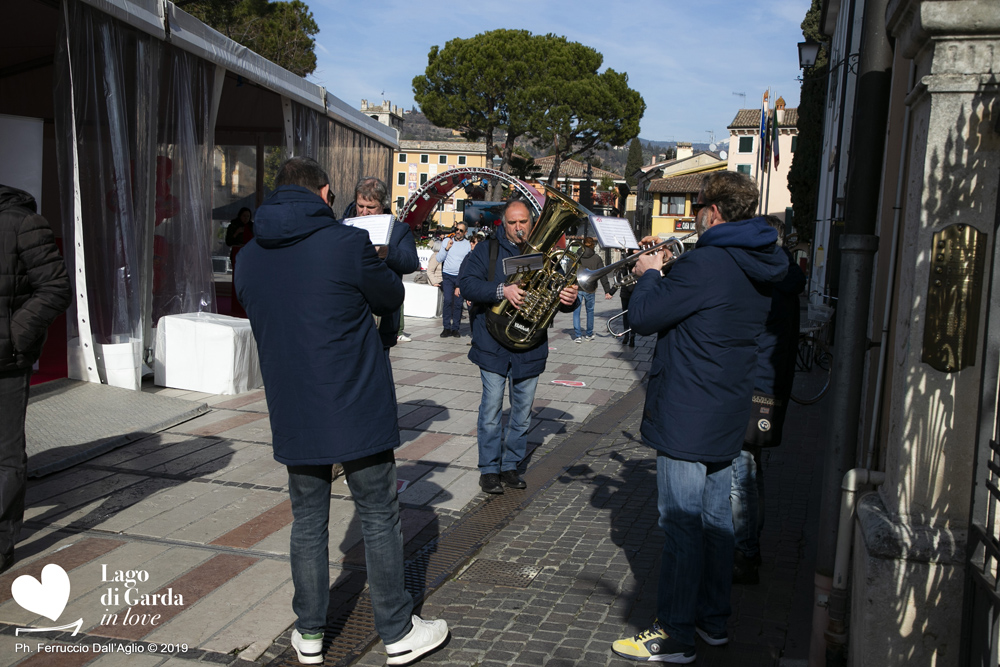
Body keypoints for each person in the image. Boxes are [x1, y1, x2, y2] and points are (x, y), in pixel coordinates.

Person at [236, 157, 447, 666]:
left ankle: (309, 633)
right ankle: (397, 631)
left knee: (307, 520)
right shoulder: (346, 243)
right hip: (354, 400)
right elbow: (392, 293)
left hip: (294, 406)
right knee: (378, 513)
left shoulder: (247, 255)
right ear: (326, 193)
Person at [611, 171, 787, 663]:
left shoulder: (708, 263)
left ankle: (674, 633)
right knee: (715, 521)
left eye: (698, 211)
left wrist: (650, 272)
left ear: (712, 212)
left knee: (681, 522)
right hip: (728, 407)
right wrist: (671, 269)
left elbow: (644, 319)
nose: (693, 220)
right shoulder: (759, 259)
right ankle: (713, 621)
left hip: (689, 410)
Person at [459, 199, 579, 495]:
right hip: (492, 343)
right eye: (512, 223)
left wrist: (569, 298)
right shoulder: (487, 250)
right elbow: (467, 283)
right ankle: (489, 469)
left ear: (532, 223)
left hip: (530, 343)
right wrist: (502, 289)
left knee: (522, 412)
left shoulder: (547, 254)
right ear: (503, 223)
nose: (518, 228)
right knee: (491, 408)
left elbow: (557, 299)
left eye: (523, 222)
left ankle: (511, 465)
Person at [730, 215, 806, 585]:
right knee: (751, 472)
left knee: (740, 477)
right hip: (769, 387)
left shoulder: (770, 281)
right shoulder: (786, 276)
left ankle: (745, 552)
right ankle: (748, 547)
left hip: (751, 386)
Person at [0, 184, 71, 574]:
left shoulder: (23, 222)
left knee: (5, 456)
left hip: (5, 363)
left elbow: (57, 287)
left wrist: (15, 336)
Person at [349, 178, 420, 345]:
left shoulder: (399, 230)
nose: (364, 212)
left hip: (383, 318)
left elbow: (411, 262)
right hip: (349, 315)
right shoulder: (344, 225)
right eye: (360, 206)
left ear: (383, 205)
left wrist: (387, 252)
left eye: (371, 207)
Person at [573, 237, 614, 343]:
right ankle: (589, 334)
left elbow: (570, 270)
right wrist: (607, 290)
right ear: (593, 245)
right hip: (590, 288)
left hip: (577, 286)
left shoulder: (577, 256)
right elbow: (603, 275)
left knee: (576, 312)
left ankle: (578, 336)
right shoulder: (597, 258)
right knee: (590, 311)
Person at [435, 222, 471, 337]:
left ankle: (455, 328)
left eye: (461, 230)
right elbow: (439, 258)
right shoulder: (447, 241)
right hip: (447, 275)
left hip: (460, 277)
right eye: (457, 229)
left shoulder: (467, 245)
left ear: (465, 233)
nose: (458, 232)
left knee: (458, 303)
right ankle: (446, 327)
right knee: (447, 301)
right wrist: (446, 248)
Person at [225, 207, 254, 317]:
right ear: (240, 216)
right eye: (244, 216)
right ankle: (236, 306)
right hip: (237, 251)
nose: (246, 218)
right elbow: (228, 242)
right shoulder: (233, 226)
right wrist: (236, 233)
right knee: (237, 279)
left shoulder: (252, 227)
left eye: (248, 216)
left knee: (248, 280)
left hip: (249, 254)